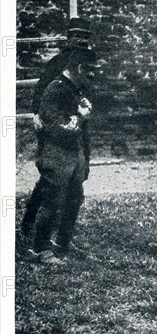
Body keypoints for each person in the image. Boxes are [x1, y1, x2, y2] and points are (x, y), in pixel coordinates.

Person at [20, 17, 93, 237]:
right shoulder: (58, 63)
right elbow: (42, 91)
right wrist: (36, 114)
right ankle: (30, 220)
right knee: (52, 177)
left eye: (84, 37)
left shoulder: (87, 63)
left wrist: (84, 113)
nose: (80, 40)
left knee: (78, 174)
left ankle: (61, 228)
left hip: (78, 123)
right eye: (76, 36)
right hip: (56, 125)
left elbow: (88, 91)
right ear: (69, 38)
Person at [30, 48, 98, 265]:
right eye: (89, 72)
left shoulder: (74, 89)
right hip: (56, 156)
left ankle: (62, 243)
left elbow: (78, 129)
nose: (91, 77)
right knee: (52, 202)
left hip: (72, 156)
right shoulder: (55, 90)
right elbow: (60, 129)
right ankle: (41, 249)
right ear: (79, 68)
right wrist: (80, 115)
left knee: (75, 199)